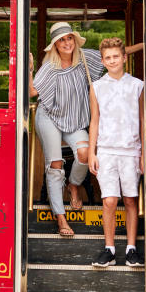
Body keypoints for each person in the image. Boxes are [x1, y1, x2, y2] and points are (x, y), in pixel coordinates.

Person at [31, 22, 102, 237]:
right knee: (55, 164)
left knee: (84, 153)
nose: (66, 43)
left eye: (69, 38)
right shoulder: (50, 66)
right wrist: (28, 69)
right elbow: (33, 92)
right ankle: (61, 218)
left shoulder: (86, 59)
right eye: (61, 40)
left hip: (74, 119)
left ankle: (73, 184)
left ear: (74, 40)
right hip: (49, 117)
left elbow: (116, 52)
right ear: (55, 45)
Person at [87, 36, 144, 268]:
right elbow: (94, 121)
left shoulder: (137, 85)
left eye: (116, 57)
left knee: (130, 199)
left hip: (131, 150)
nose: (112, 61)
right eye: (108, 58)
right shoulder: (97, 87)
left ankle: (131, 249)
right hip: (107, 150)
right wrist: (92, 152)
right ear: (103, 60)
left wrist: (143, 154)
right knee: (109, 200)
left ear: (124, 58)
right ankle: (109, 249)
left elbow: (142, 119)